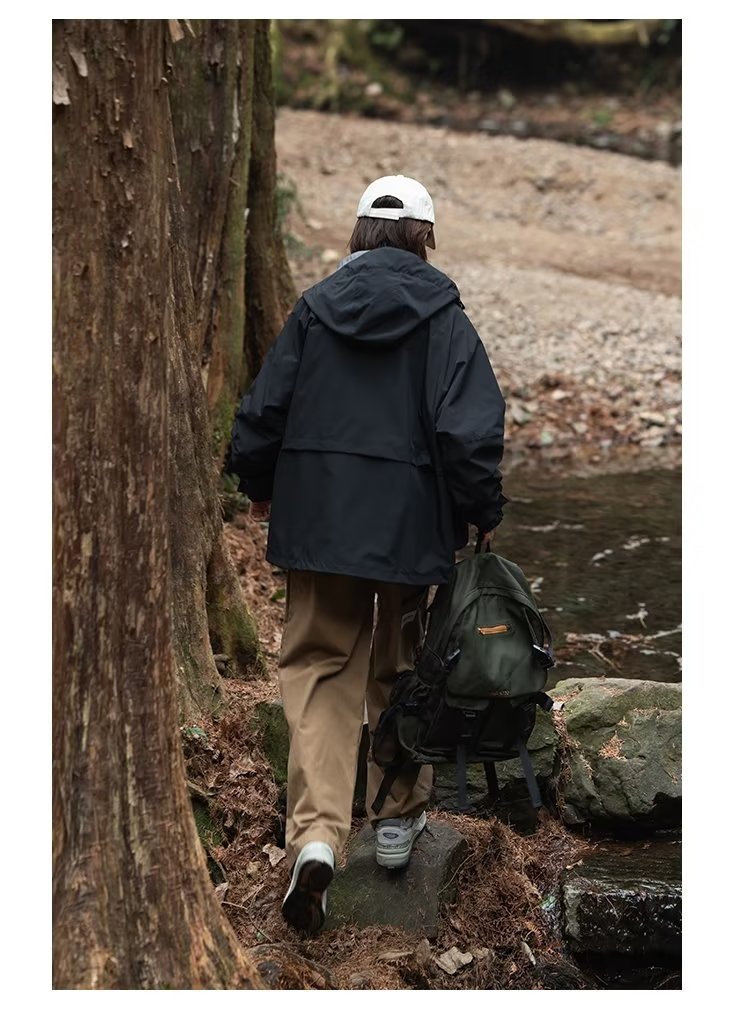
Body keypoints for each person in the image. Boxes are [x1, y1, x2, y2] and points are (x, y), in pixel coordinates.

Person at [230, 174, 507, 935]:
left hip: (320, 520)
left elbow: (262, 412)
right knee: (403, 666)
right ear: (425, 237)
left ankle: (317, 835)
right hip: (411, 529)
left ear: (358, 234)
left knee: (320, 670)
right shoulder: (445, 317)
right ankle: (393, 822)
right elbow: (470, 433)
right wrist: (482, 512)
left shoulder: (315, 310)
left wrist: (259, 486)